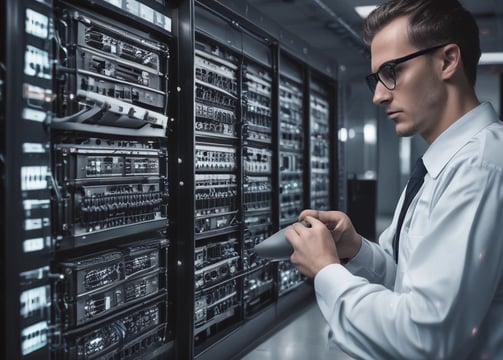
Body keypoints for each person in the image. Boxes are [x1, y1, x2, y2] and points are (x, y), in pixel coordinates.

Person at [285, 0, 503, 358]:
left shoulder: (479, 167)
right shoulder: (442, 165)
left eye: (392, 71)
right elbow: (409, 279)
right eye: (377, 77)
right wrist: (356, 249)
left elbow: (426, 340)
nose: (379, 95)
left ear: (448, 60)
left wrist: (326, 272)